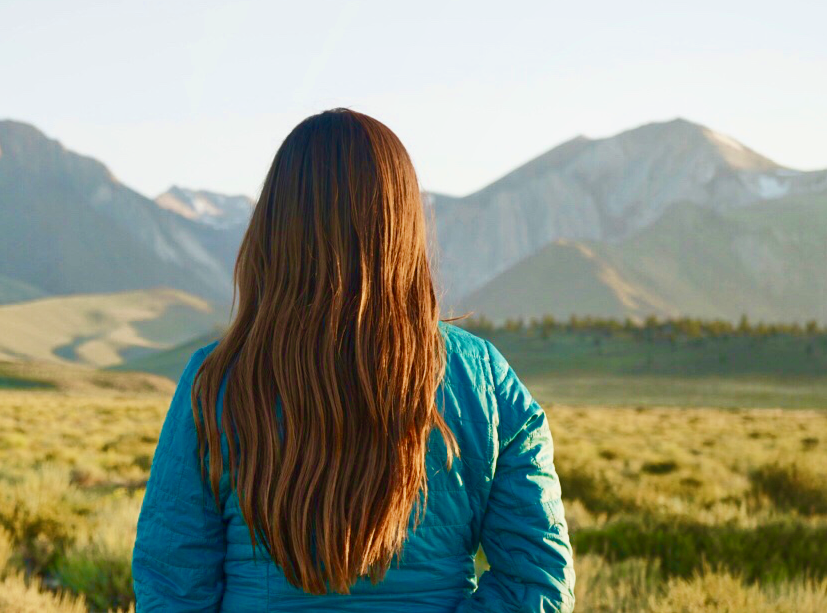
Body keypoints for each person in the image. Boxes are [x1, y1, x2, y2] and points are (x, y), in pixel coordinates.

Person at [132, 109, 574, 612]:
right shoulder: (482, 378)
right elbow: (537, 580)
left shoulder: (215, 382)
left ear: (275, 228)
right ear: (401, 224)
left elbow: (171, 588)